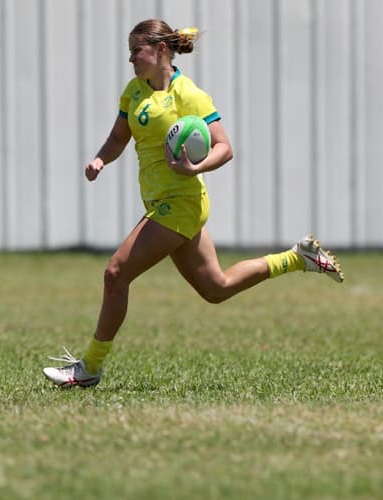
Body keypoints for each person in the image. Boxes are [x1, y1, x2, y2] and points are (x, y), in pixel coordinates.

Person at [42, 19, 344, 388]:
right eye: (130, 50)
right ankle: (297, 258)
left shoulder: (189, 94)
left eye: (137, 49)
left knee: (115, 274)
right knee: (215, 288)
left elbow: (224, 147)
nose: (132, 58)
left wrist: (194, 167)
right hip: (162, 202)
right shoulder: (134, 92)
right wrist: (101, 159)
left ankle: (89, 366)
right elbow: (119, 136)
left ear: (161, 50)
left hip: (181, 202)